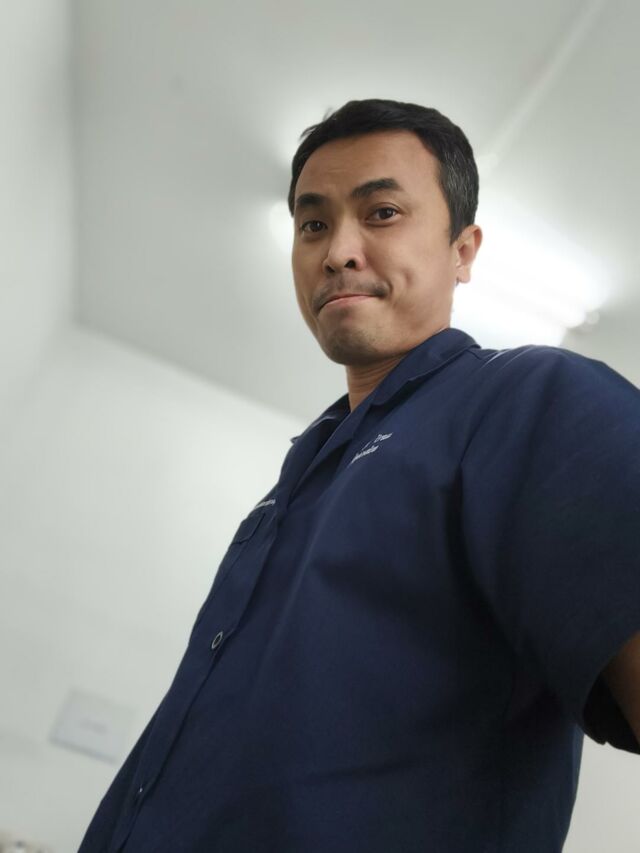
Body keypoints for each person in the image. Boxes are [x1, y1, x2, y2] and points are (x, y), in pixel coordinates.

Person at [79, 99, 640, 852]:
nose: (338, 251)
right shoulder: (291, 489)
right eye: (313, 224)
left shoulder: (530, 403)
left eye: (382, 213)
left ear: (463, 249)